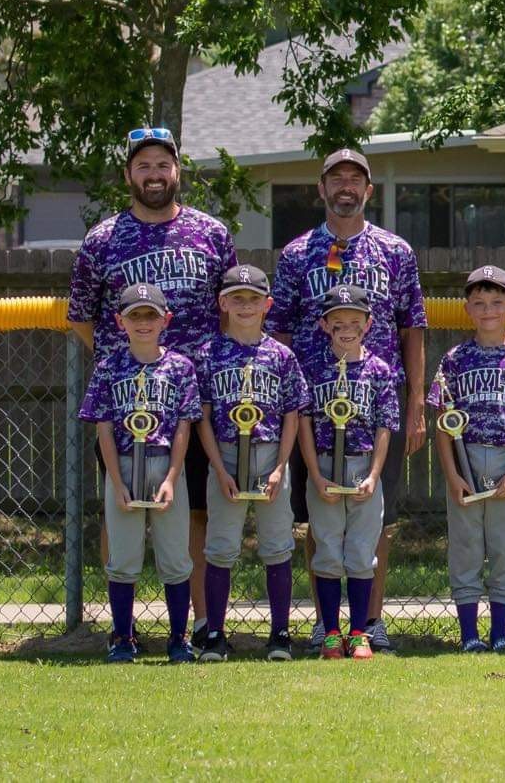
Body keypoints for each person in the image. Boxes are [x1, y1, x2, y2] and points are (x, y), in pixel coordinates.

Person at [66, 126, 235, 644]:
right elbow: (80, 315)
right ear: (128, 175)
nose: (155, 174)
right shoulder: (102, 240)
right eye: (144, 166)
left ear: (177, 171)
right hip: (129, 405)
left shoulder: (211, 233)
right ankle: (125, 627)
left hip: (200, 399)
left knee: (196, 511)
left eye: (163, 164)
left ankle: (199, 623)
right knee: (123, 507)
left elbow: (232, 306)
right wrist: (127, 364)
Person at [267, 146, 426, 654]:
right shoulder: (296, 255)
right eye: (335, 178)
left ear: (368, 190)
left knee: (374, 516)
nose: (345, 187)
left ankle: (370, 622)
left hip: (376, 408)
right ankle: (325, 624)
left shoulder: (395, 252)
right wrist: (283, 404)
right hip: (313, 409)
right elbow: (281, 334)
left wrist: (417, 403)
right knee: (319, 515)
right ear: (321, 188)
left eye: (355, 179)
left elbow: (412, 330)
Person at [427, 266, 505, 654]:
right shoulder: (454, 358)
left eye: (497, 302)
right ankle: (469, 635)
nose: (488, 310)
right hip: (464, 462)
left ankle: (500, 632)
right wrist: (451, 474)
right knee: (465, 547)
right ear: (467, 308)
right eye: (479, 303)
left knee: (504, 547)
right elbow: (443, 421)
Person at [79, 284, 202, 664]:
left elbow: (184, 426)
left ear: (166, 319)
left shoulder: (180, 367)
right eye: (135, 316)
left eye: (151, 315)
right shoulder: (109, 367)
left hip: (166, 467)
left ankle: (179, 639)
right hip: (126, 465)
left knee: (175, 557)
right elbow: (102, 428)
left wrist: (171, 478)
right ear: (120, 321)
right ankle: (122, 637)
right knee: (124, 557)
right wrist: (116, 484)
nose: (143, 323)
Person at [194, 263, 306, 662]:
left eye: (253, 299)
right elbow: (202, 417)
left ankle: (279, 633)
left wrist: (280, 466)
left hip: (271, 453)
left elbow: (293, 412)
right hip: (224, 455)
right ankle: (215, 635)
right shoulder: (207, 353)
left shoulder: (282, 356)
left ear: (267, 305)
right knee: (221, 547)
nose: (245, 306)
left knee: (278, 545)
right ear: (222, 303)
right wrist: (219, 468)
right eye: (237, 299)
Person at [299, 284, 400, 660]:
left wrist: (374, 474)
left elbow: (384, 427)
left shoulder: (379, 370)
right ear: (325, 325)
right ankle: (329, 633)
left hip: (363, 466)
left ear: (368, 324)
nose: (346, 328)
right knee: (326, 549)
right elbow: (305, 423)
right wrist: (314, 472)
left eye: (354, 321)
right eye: (338, 321)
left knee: (360, 552)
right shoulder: (312, 367)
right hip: (324, 466)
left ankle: (359, 632)